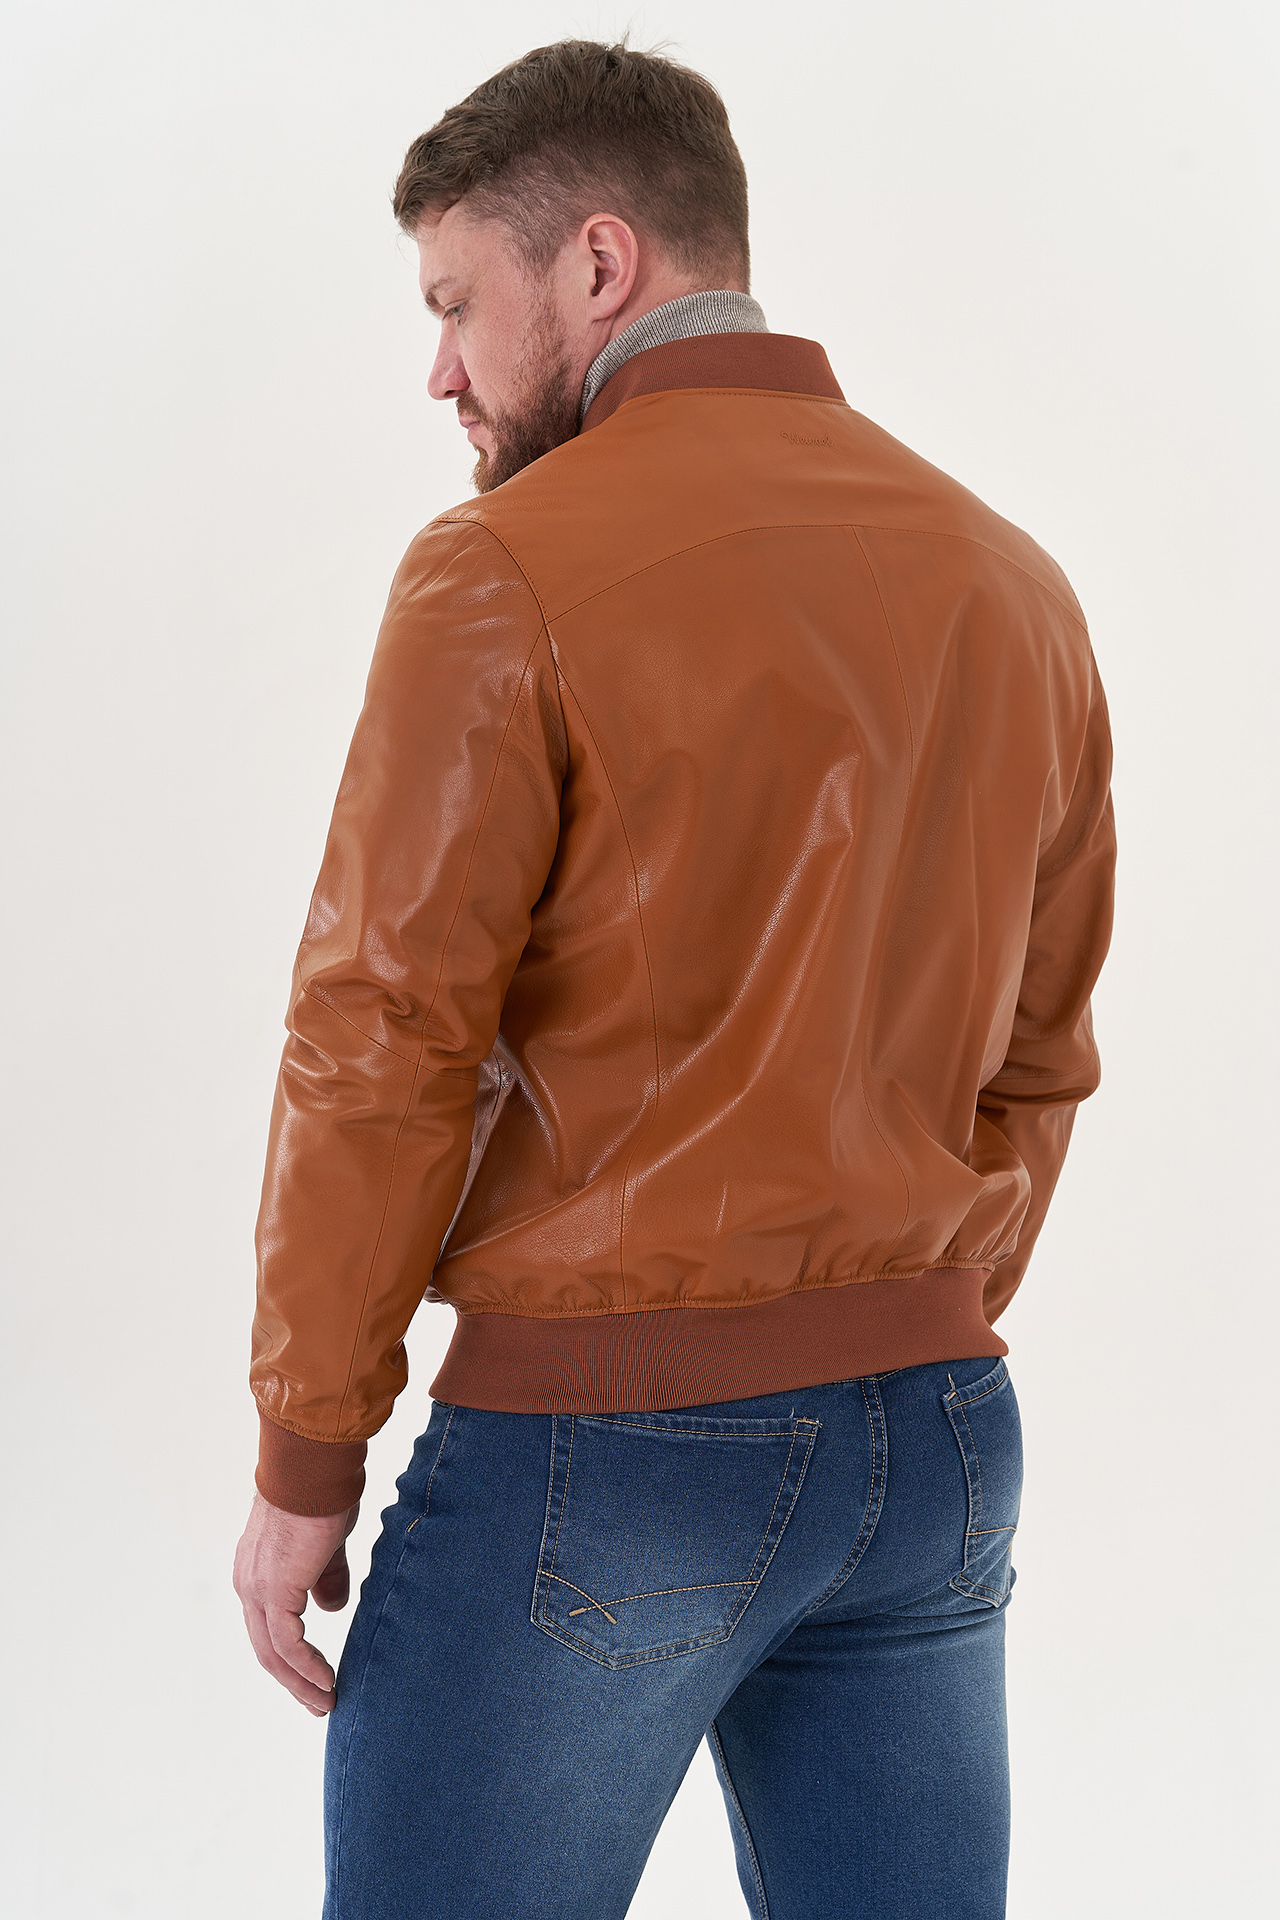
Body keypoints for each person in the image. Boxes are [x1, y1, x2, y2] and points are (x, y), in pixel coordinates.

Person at [232, 37, 1116, 1920]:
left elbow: (382, 1039)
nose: (442, 371)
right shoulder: (1014, 582)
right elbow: (1042, 1057)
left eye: (456, 302)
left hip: (605, 1448)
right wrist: (902, 1308)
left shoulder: (501, 571)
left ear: (600, 262)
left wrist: (309, 1450)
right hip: (936, 1445)